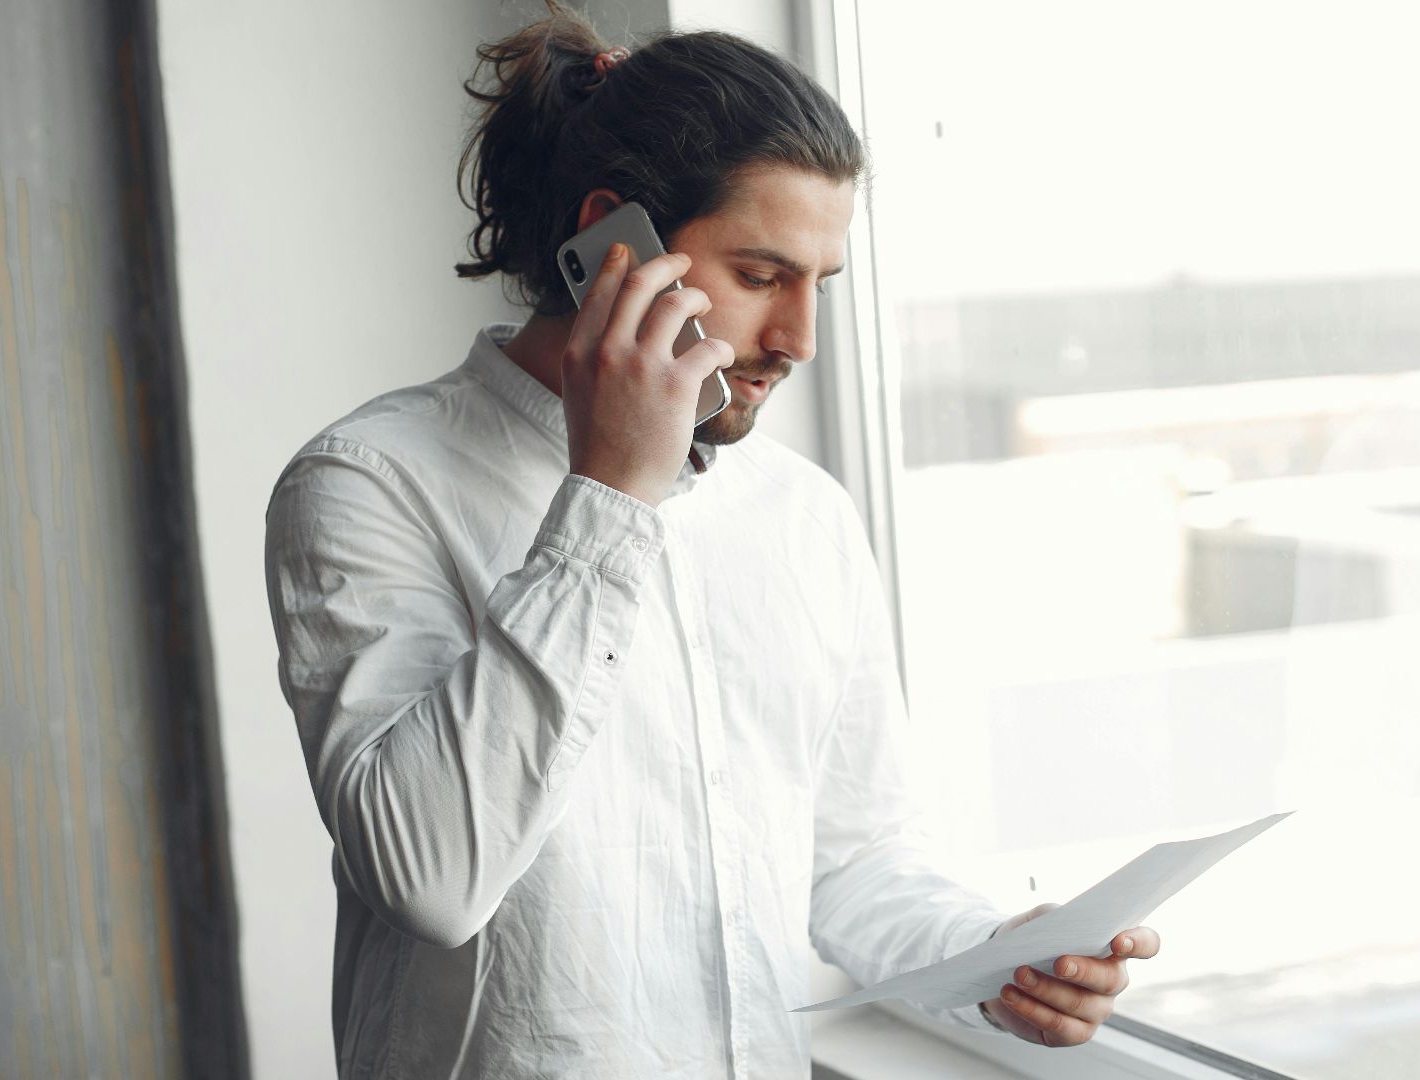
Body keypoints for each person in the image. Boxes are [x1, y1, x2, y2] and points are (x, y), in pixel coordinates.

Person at [262, 6, 1159, 1076]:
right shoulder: (370, 483)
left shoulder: (804, 516)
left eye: (819, 285)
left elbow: (855, 858)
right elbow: (430, 877)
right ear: (613, 245)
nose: (799, 342)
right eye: (761, 276)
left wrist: (994, 959)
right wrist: (611, 495)